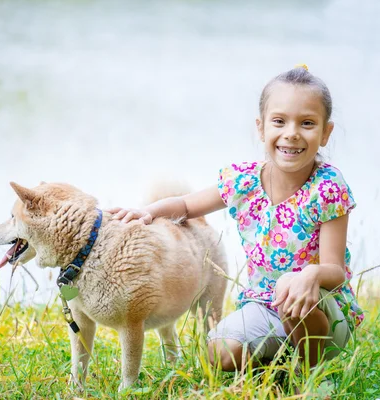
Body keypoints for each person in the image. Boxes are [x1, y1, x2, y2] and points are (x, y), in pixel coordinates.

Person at [107, 65, 364, 372]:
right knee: (218, 353)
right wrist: (148, 212)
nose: (292, 133)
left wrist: (310, 275)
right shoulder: (245, 181)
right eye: (279, 121)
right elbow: (187, 206)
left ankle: (307, 374)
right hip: (263, 306)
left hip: (321, 315)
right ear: (261, 128)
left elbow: (335, 270)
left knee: (288, 285)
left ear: (325, 133)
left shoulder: (328, 188)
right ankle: (275, 362)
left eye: (307, 123)